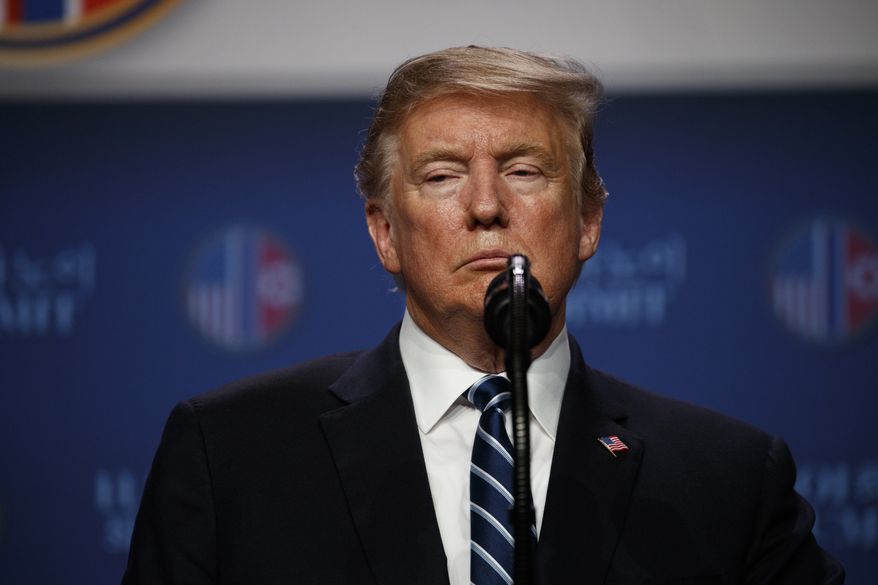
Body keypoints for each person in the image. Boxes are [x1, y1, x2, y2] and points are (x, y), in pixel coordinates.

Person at [122, 46, 844, 585]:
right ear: (384, 232)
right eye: (441, 175)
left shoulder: (727, 478)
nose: (487, 205)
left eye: (525, 169)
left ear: (588, 218)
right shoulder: (230, 454)